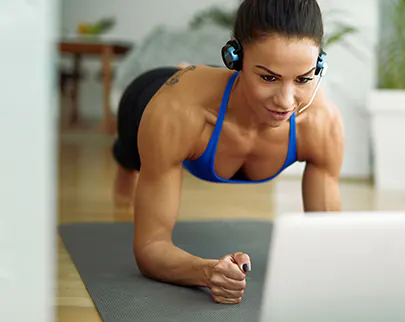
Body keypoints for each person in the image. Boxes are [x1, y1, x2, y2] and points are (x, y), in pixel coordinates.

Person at [111, 0, 344, 304]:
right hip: (152, 96)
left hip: (204, 98)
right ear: (235, 58)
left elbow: (331, 244)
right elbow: (150, 247)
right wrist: (206, 271)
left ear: (319, 66)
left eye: (302, 79)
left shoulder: (321, 123)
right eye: (268, 77)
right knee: (130, 164)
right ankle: (177, 83)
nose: (286, 102)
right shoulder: (176, 112)